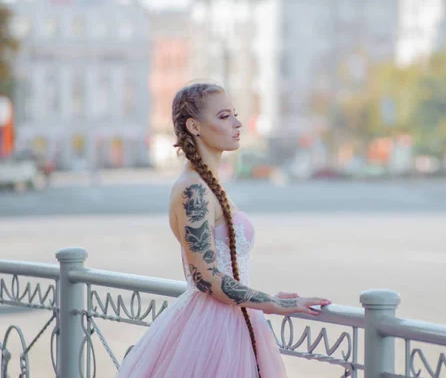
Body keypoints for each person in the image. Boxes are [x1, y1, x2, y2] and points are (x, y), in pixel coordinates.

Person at [115, 83, 332, 378]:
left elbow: (226, 270)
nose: (237, 123)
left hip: (234, 320)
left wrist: (265, 299)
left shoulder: (207, 185)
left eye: (234, 115)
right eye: (224, 116)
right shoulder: (193, 190)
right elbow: (206, 278)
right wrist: (276, 304)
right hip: (212, 329)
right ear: (195, 126)